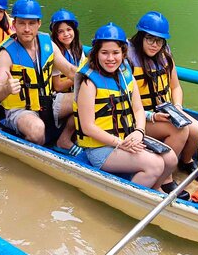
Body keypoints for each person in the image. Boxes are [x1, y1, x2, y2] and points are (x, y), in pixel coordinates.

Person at [72, 23, 170, 190]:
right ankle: (130, 198)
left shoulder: (125, 73)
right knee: (155, 165)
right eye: (104, 53)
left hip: (126, 136)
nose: (110, 58)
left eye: (116, 53)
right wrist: (119, 142)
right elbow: (88, 127)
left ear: (124, 53)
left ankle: (152, 191)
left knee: (170, 158)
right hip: (100, 148)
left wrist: (139, 132)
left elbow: (138, 109)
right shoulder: (89, 83)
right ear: (96, 54)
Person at [127, 11, 198, 199]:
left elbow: (176, 86)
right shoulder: (127, 58)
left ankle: (184, 160)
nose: (155, 45)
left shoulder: (165, 54)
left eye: (159, 41)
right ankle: (165, 176)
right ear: (141, 36)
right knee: (180, 131)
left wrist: (177, 106)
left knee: (197, 129)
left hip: (165, 110)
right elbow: (127, 102)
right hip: (139, 117)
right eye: (150, 39)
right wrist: (151, 115)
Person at [0, 0, 77, 146]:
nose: (27, 29)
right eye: (22, 23)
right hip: (20, 109)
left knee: (84, 99)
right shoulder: (7, 53)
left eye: (31, 23)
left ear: (39, 24)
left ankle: (64, 139)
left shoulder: (48, 44)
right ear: (14, 24)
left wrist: (98, 82)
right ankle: (30, 147)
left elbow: (70, 70)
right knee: (37, 130)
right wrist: (6, 89)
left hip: (48, 101)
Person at [49, 8, 85, 93]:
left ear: (74, 31)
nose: (66, 34)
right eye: (60, 31)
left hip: (75, 90)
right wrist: (80, 78)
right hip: (59, 96)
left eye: (69, 29)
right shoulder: (56, 53)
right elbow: (58, 86)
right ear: (55, 34)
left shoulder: (78, 49)